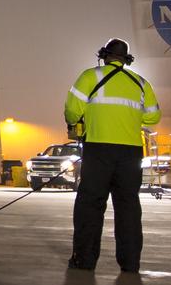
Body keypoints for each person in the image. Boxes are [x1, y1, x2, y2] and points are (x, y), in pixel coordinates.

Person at [64, 37, 160, 273]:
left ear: (104, 56)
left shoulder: (90, 76)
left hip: (98, 150)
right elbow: (153, 117)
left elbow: (72, 111)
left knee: (90, 205)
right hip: (131, 153)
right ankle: (130, 264)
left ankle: (84, 260)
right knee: (128, 206)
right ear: (126, 60)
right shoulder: (141, 83)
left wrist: (80, 120)